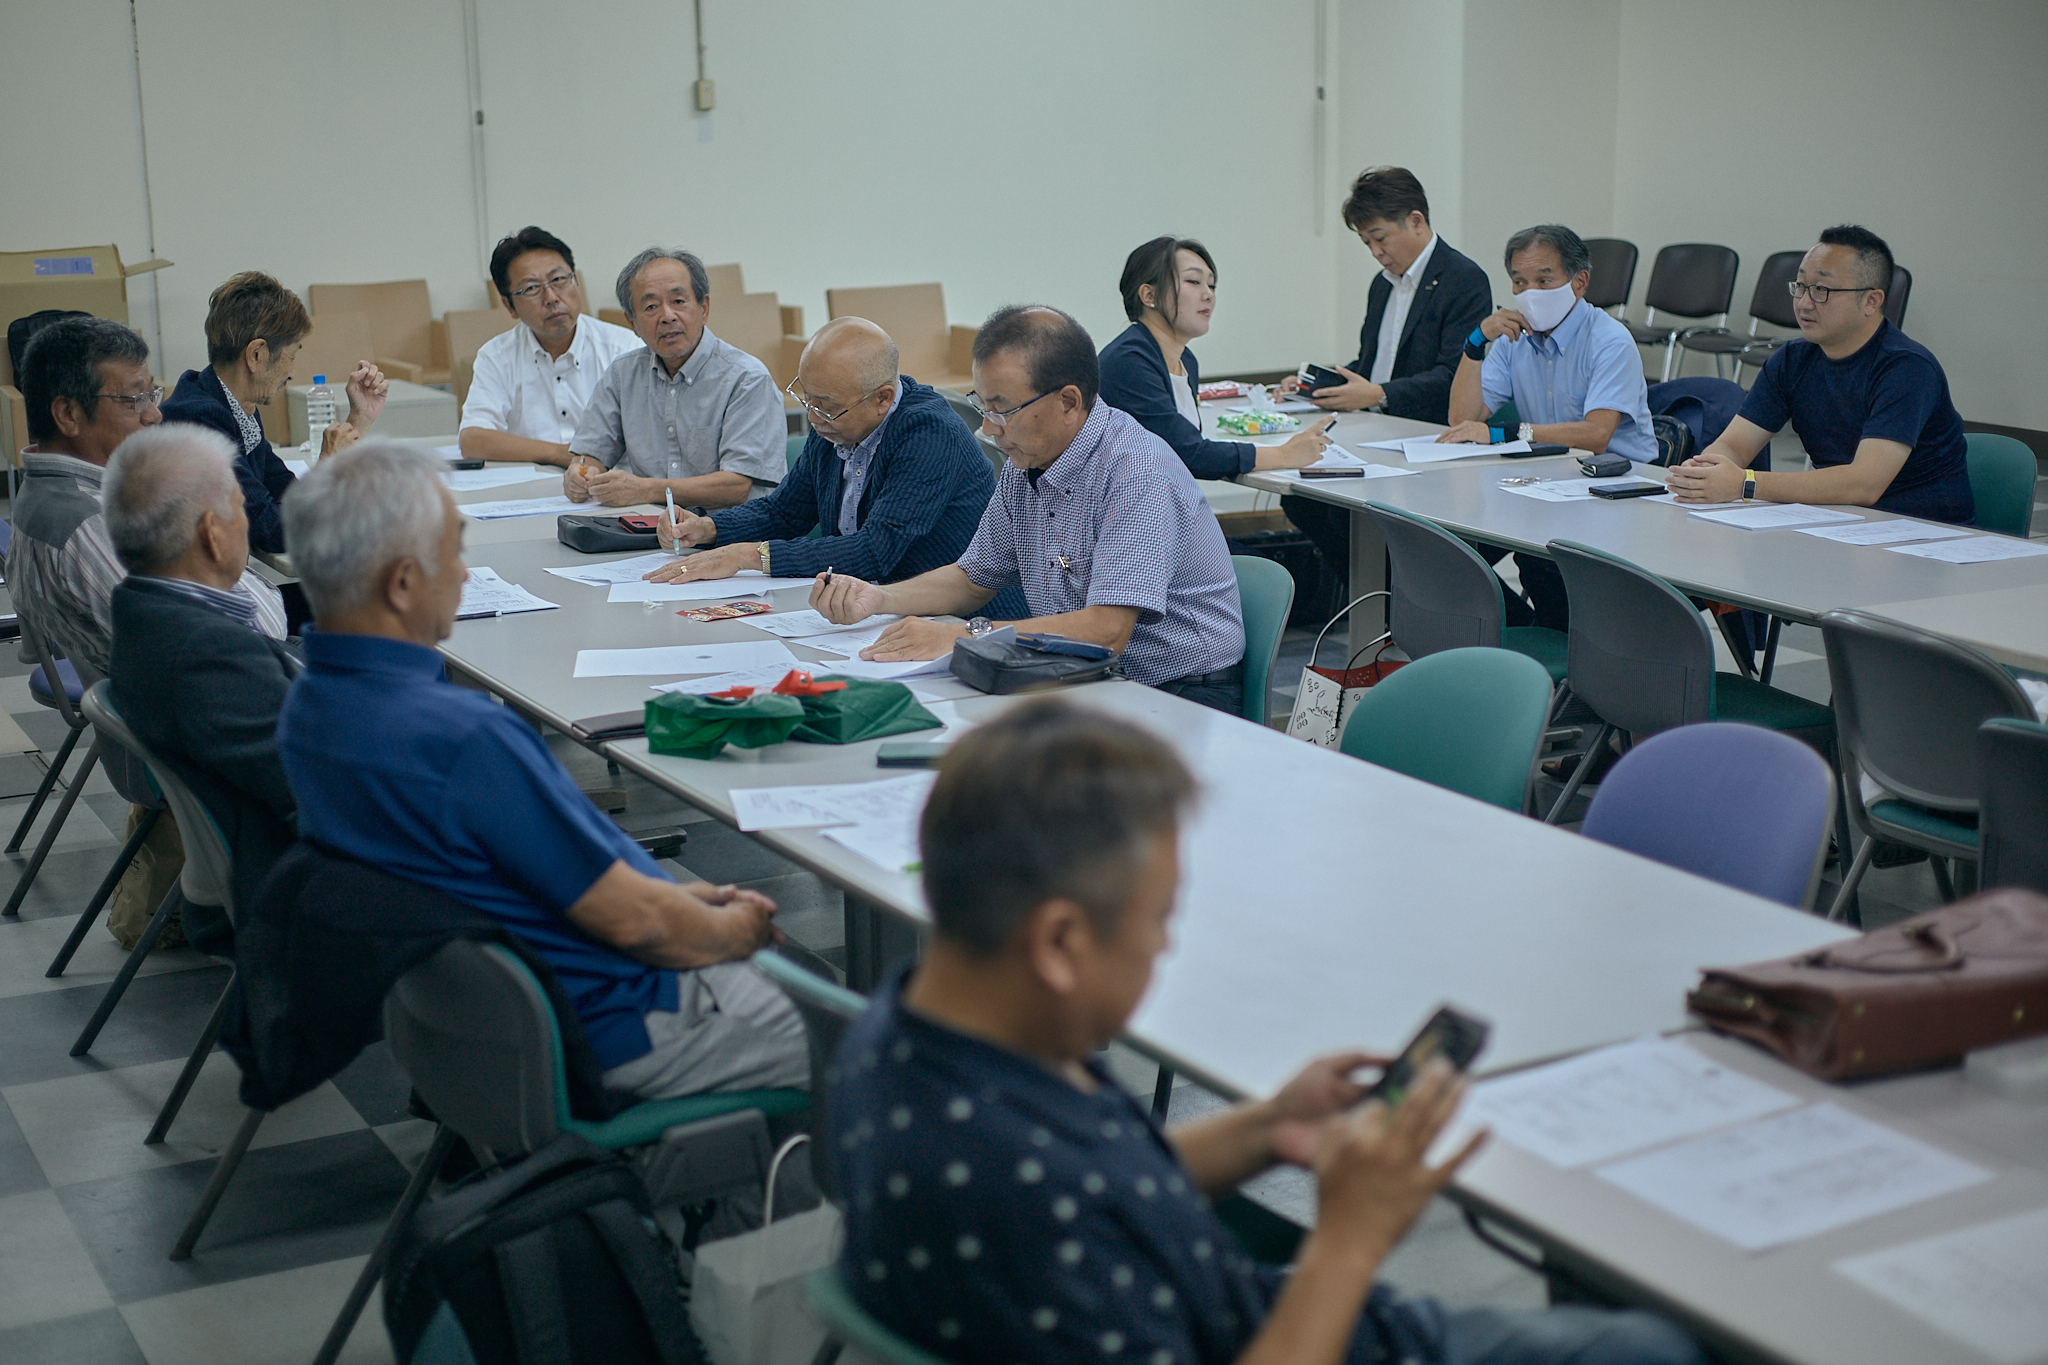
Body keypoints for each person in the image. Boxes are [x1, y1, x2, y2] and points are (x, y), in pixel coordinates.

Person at [833, 699, 1706, 1365]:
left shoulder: (914, 1037)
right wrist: (1350, 1238)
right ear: (1061, 942)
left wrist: (1265, 1127)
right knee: (1654, 1350)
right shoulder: (1004, 1189)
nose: (1167, 945)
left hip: (1235, 1308)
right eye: (1157, 922)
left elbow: (1099, 1188)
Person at [276, 443, 806, 1099]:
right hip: (605, 1024)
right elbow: (638, 922)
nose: (466, 575)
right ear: (404, 582)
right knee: (850, 1043)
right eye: (453, 551)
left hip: (470, 1033)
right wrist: (730, 925)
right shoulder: (467, 739)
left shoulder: (309, 705)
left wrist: (682, 900)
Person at [809, 306, 1247, 714]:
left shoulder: (1134, 470)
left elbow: (1107, 632)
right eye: (982, 405)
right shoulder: (1029, 461)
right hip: (1085, 678)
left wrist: (961, 636)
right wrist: (879, 598)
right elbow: (972, 578)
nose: (987, 428)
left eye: (1002, 409)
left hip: (1179, 694)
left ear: (1069, 402)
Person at [14, 320, 290, 947]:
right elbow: (224, 640)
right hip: (192, 732)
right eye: (133, 398)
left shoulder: (55, 495)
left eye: (152, 392)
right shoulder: (90, 527)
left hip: (177, 705)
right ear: (68, 413)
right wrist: (238, 567)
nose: (154, 413)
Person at [644, 317, 1023, 621]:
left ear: (882, 399)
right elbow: (784, 511)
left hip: (967, 623)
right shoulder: (835, 423)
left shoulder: (928, 432)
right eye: (806, 397)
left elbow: (876, 551)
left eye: (824, 405)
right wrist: (709, 528)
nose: (811, 416)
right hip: (873, 611)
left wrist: (750, 556)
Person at [105, 425, 299, 947]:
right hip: (293, 886)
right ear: (213, 533)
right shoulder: (208, 656)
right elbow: (315, 790)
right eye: (241, 506)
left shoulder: (144, 613)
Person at [1279, 168, 1493, 599]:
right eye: (1367, 244)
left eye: (1380, 238)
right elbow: (1373, 363)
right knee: (1301, 497)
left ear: (1415, 221)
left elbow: (1454, 375)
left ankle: (1399, 609)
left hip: (1429, 436)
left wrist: (1377, 394)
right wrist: (1317, 383)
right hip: (1378, 431)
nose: (1376, 252)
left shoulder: (1463, 279)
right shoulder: (1383, 286)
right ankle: (1386, 606)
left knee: (1346, 511)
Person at [1666, 225, 1972, 523]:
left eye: (1821, 290)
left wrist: (1745, 484)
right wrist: (1706, 470)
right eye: (1800, 286)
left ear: (1871, 301)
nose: (1804, 303)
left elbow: (1864, 484)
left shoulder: (1907, 368)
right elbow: (1735, 445)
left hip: (1921, 532)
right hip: (1837, 521)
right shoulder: (1791, 360)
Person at [1442, 224, 1654, 631]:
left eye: (1544, 280)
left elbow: (1596, 436)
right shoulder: (1511, 339)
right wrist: (1475, 342)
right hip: (1545, 485)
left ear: (1579, 282)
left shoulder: (1610, 340)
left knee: (1543, 563)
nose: (1529, 294)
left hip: (1617, 494)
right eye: (1519, 283)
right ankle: (1525, 642)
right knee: (1446, 557)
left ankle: (1559, 653)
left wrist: (1509, 432)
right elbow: (1463, 419)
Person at [160, 271, 388, 555]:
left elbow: (287, 497)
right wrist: (329, 466)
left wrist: (359, 420)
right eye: (291, 356)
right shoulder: (198, 421)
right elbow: (273, 531)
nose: (292, 372)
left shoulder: (235, 405)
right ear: (256, 355)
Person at [563, 248, 783, 510]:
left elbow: (736, 486)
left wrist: (645, 490)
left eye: (678, 301)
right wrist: (580, 472)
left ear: (704, 308)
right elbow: (591, 453)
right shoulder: (623, 374)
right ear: (632, 322)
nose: (667, 316)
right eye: (651, 307)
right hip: (651, 531)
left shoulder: (747, 379)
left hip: (730, 534)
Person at [1097, 236, 1333, 480]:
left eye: (1211, 285)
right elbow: (1187, 455)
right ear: (1149, 295)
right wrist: (1284, 455)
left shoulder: (1185, 360)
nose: (1208, 294)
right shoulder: (1128, 361)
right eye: (1193, 281)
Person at [458, 226, 641, 468]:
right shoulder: (496, 356)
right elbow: (473, 440)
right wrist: (561, 454)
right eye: (532, 288)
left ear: (575, 281)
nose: (552, 297)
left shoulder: (623, 348)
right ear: (510, 306)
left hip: (608, 489)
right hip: (530, 493)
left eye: (559, 280)